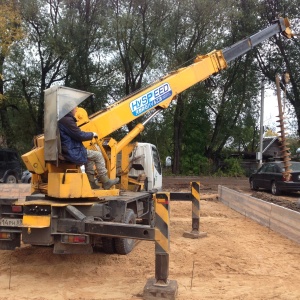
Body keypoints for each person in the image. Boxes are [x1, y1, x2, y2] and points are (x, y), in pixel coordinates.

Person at [58, 103, 119, 190]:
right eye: (75, 108)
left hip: (69, 149)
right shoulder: (67, 120)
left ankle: (91, 182)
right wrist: (92, 134)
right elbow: (79, 135)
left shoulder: (62, 120)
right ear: (70, 109)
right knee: (98, 155)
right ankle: (105, 181)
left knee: (89, 158)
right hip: (72, 151)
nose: (76, 110)